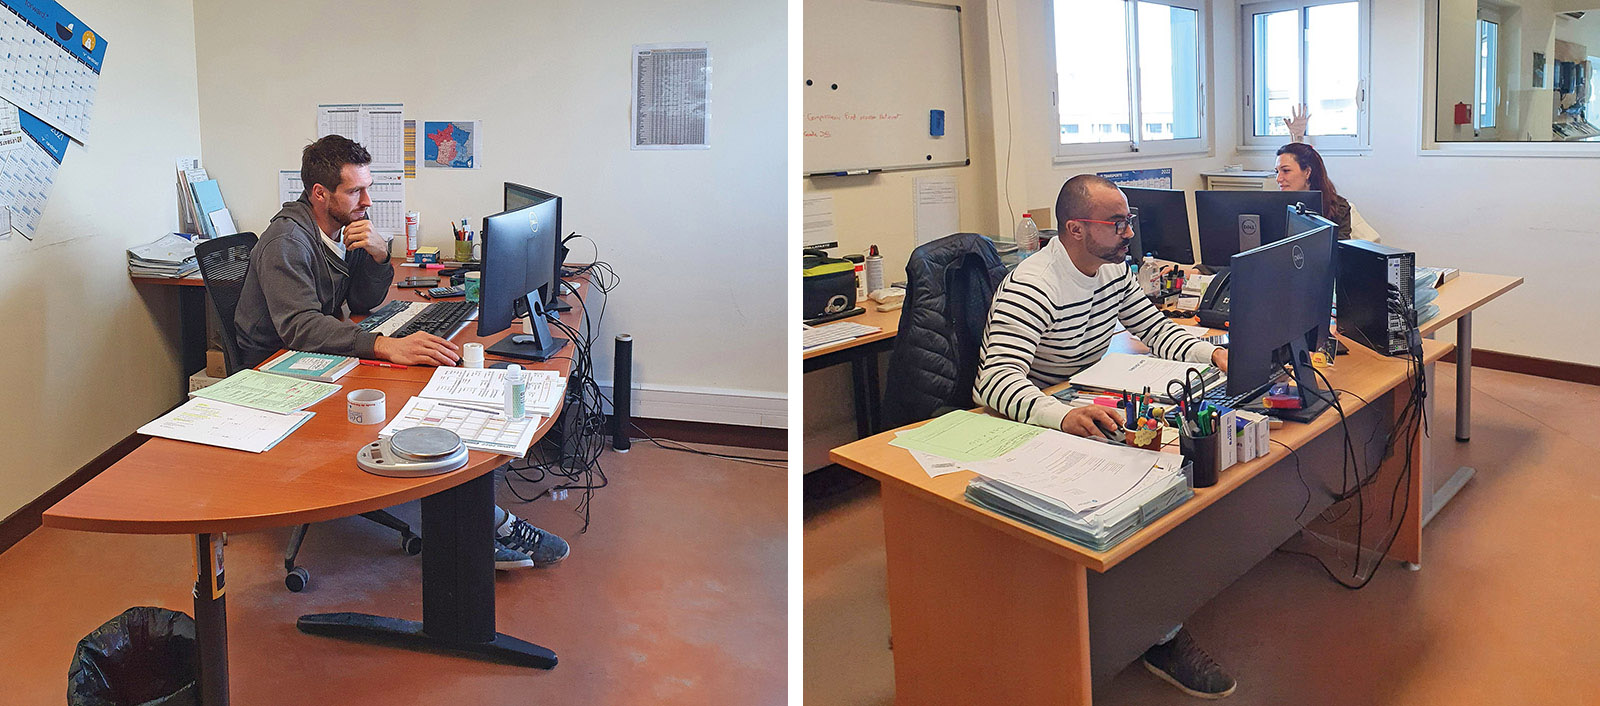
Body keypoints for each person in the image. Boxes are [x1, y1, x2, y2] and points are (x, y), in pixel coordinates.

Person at [233, 135, 568, 570]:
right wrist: (386, 345)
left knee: (430, 384)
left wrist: (378, 257)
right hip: (278, 371)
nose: (367, 201)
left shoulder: (342, 228)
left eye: (368, 188)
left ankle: (479, 519)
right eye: (355, 191)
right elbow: (300, 328)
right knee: (419, 401)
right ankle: (474, 530)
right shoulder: (288, 241)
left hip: (320, 354)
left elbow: (362, 302)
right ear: (319, 193)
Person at [972, 174, 1236, 699]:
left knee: (1171, 468)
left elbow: (1155, 330)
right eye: (1117, 223)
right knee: (1144, 493)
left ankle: (1156, 612)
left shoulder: (1112, 271)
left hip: (1084, 401)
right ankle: (1162, 636)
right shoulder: (1033, 285)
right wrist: (1060, 416)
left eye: (1128, 220)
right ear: (1075, 229)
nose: (1129, 232)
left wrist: (1215, 353)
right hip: (1033, 416)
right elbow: (994, 380)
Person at [1278, 106, 1381, 242]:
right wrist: (1296, 139)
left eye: (1285, 171)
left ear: (1308, 172)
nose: (1278, 179)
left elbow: (1340, 249)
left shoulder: (1338, 208)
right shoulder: (1278, 206)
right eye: (1277, 171)